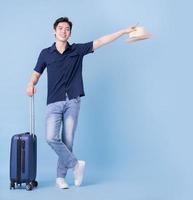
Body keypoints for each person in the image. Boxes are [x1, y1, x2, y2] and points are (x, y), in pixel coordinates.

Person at [26, 17, 136, 189]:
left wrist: (123, 31)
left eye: (67, 29)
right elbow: (36, 73)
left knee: (68, 141)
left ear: (70, 32)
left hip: (72, 101)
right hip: (53, 102)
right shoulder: (45, 53)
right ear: (54, 31)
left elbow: (101, 41)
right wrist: (31, 84)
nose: (64, 31)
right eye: (60, 28)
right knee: (50, 138)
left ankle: (60, 178)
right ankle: (76, 165)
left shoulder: (77, 50)